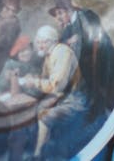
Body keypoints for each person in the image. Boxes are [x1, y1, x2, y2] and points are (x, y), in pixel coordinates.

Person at [19, 25, 87, 160]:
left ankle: (37, 155)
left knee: (45, 115)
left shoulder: (62, 53)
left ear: (49, 42)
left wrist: (34, 82)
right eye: (37, 42)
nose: (38, 46)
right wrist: (33, 80)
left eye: (40, 42)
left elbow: (57, 86)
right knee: (29, 109)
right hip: (59, 98)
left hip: (73, 101)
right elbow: (45, 80)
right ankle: (36, 148)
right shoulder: (49, 55)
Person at [48, 0, 114, 115]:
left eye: (60, 13)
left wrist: (77, 40)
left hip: (106, 65)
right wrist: (67, 42)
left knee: (111, 99)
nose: (58, 17)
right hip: (90, 71)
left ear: (68, 10)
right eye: (57, 15)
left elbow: (93, 40)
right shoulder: (68, 27)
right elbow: (60, 44)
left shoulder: (86, 16)